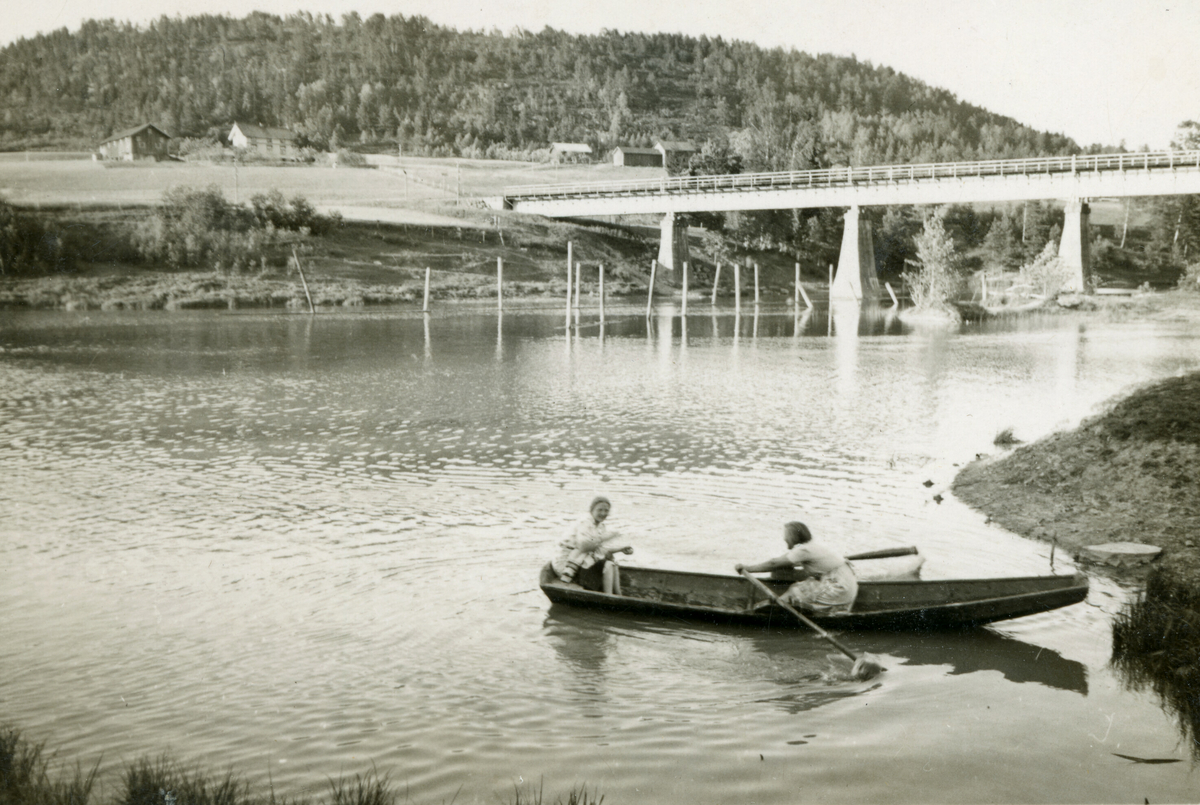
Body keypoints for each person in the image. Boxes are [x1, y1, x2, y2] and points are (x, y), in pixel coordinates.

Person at [735, 521, 858, 613]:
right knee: (795, 585)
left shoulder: (803, 550)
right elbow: (780, 562)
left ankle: (777, 607)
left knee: (795, 591)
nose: (784, 538)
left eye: (786, 536)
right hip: (844, 581)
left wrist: (748, 568)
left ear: (793, 537)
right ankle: (781, 605)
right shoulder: (808, 546)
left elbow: (773, 563)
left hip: (839, 587)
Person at [553, 496, 633, 595]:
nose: (603, 513)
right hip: (567, 564)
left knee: (613, 564)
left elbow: (600, 548)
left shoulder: (600, 526)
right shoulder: (585, 523)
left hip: (580, 559)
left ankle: (618, 594)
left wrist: (620, 549)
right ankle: (609, 597)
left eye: (606, 510)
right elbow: (584, 546)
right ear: (592, 510)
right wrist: (606, 537)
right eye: (599, 510)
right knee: (608, 565)